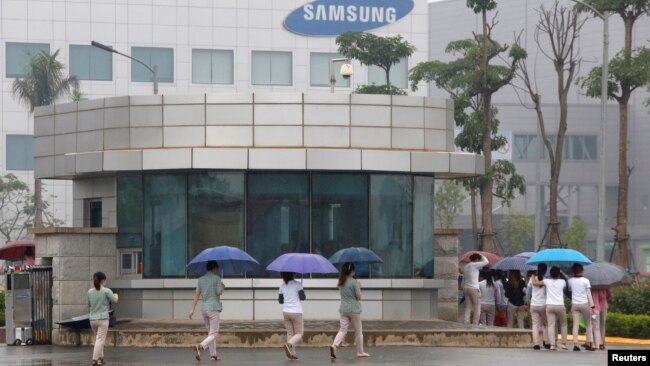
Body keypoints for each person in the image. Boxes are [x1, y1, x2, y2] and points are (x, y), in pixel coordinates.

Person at [330, 262, 369, 359]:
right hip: (354, 309)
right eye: (354, 270)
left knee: (343, 329)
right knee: (358, 331)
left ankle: (334, 345)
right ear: (352, 271)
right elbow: (359, 297)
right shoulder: (354, 282)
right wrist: (358, 287)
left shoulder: (341, 282)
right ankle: (360, 352)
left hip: (343, 309)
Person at [189, 260, 224, 362]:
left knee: (210, 333)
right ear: (214, 268)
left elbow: (196, 295)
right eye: (217, 269)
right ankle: (200, 346)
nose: (217, 270)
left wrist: (192, 309)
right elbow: (219, 292)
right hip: (213, 308)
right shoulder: (217, 278)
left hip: (204, 309)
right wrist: (222, 286)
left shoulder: (201, 280)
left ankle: (213, 355)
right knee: (214, 333)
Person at [533, 266, 568, 351]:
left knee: (551, 325)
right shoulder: (563, 281)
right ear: (558, 274)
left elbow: (535, 283)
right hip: (560, 305)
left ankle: (552, 345)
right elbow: (564, 287)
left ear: (550, 273)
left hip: (549, 306)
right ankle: (563, 343)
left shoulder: (546, 281)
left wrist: (533, 276)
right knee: (563, 324)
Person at [87, 271, 118, 366]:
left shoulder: (90, 292)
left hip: (92, 319)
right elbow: (115, 300)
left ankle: (100, 359)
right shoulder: (106, 290)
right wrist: (116, 295)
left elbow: (89, 304)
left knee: (98, 339)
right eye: (105, 280)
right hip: (103, 319)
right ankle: (94, 360)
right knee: (100, 340)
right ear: (103, 280)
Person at [568, 263, 598, 351]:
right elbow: (589, 294)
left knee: (575, 324)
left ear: (573, 271)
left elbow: (570, 290)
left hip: (574, 304)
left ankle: (575, 344)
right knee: (588, 324)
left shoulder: (570, 281)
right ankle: (590, 343)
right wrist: (592, 306)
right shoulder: (586, 281)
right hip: (584, 304)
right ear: (582, 271)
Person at [279, 272, 306, 360]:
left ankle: (293, 353)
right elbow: (303, 297)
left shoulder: (282, 286)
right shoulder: (297, 284)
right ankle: (288, 344)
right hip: (296, 312)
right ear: (292, 274)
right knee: (299, 333)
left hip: (286, 312)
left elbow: (280, 301)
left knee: (290, 333)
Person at [527, 263, 550, 350]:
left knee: (535, 325)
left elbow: (528, 293)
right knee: (545, 324)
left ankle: (536, 344)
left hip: (534, 304)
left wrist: (528, 303)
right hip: (543, 305)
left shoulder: (531, 279)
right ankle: (546, 342)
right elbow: (548, 293)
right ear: (545, 270)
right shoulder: (546, 280)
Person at [462, 253, 489, 325]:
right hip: (474, 288)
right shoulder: (474, 265)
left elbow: (463, 280)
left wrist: (463, 287)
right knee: (477, 306)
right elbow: (486, 262)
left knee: (468, 306)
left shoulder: (465, 267)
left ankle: (466, 322)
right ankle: (475, 323)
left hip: (466, 288)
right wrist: (482, 256)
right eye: (479, 260)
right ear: (476, 259)